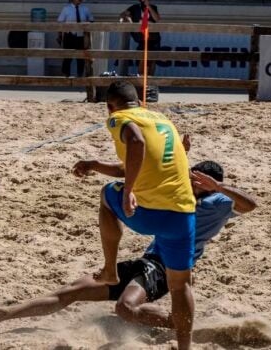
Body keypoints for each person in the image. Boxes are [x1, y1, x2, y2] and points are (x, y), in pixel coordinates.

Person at [0, 160, 256, 330]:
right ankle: (3, 314)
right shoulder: (178, 192)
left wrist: (218, 186)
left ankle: (180, 323)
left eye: (194, 178)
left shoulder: (217, 203)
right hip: (147, 261)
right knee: (72, 290)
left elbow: (251, 205)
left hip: (166, 268)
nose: (188, 180)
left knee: (125, 309)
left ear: (203, 181)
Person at [77, 80, 196, 349]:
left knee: (107, 196)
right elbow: (136, 162)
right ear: (141, 101)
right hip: (183, 213)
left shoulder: (119, 118)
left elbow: (136, 141)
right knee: (181, 286)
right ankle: (185, 347)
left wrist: (129, 189)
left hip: (149, 211)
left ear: (110, 106)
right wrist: (94, 164)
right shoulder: (162, 118)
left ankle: (110, 270)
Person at [120, 0, 161, 76]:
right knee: (142, 59)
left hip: (153, 38)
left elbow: (157, 19)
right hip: (141, 38)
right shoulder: (135, 7)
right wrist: (129, 18)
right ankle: (141, 81)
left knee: (152, 60)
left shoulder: (153, 7)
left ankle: (151, 82)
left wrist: (149, 6)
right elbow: (122, 14)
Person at [57, 0, 94, 77]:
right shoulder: (66, 9)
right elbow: (60, 22)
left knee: (80, 57)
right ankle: (66, 75)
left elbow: (91, 19)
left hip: (81, 36)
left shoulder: (85, 9)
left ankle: (79, 74)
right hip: (69, 35)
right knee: (67, 57)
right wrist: (59, 35)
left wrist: (87, 27)